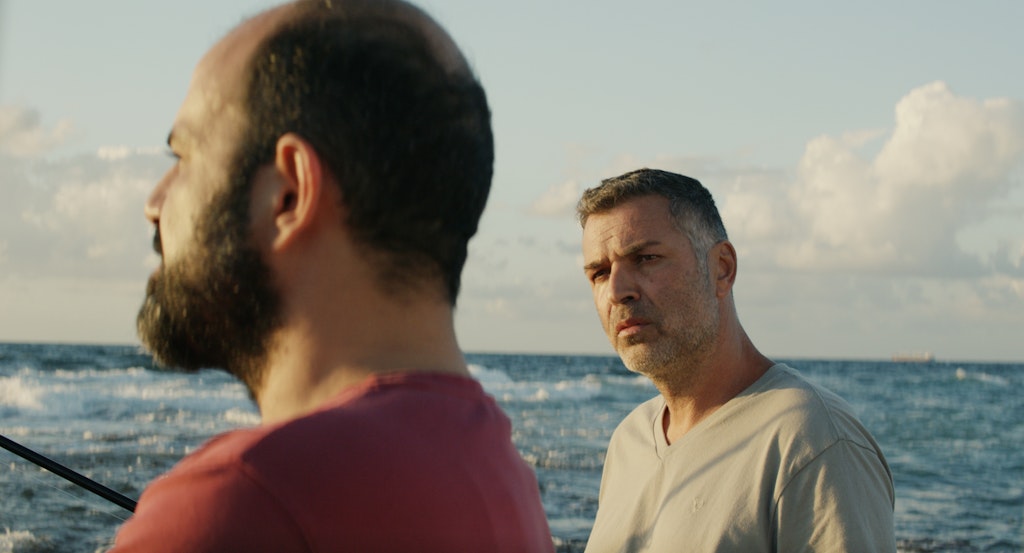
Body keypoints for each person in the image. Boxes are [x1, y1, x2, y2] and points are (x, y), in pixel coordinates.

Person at [109, 1, 553, 551]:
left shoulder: (242, 501)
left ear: (288, 194)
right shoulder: (501, 476)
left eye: (183, 156)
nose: (154, 201)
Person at [577, 168, 895, 552]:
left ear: (721, 269)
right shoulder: (630, 441)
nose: (617, 291)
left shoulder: (812, 440)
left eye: (646, 258)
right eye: (599, 273)